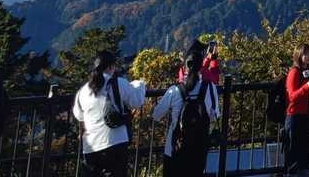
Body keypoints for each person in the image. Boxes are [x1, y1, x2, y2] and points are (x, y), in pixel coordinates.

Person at [72, 50, 148, 177]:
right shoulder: (118, 83)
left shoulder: (83, 91)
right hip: (116, 142)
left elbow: (78, 115)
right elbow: (136, 101)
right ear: (110, 67)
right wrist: (140, 84)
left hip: (90, 147)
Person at [153, 47, 220, 177]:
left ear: (185, 67)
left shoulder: (175, 90)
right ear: (201, 66)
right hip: (200, 146)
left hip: (176, 147)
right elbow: (215, 115)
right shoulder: (210, 88)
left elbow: (156, 114)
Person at [284, 43, 309, 177]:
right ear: (299, 55)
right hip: (294, 117)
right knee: (293, 153)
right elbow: (292, 96)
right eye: (305, 53)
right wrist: (307, 87)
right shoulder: (294, 72)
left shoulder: (306, 71)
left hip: (304, 116)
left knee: (305, 152)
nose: (308, 56)